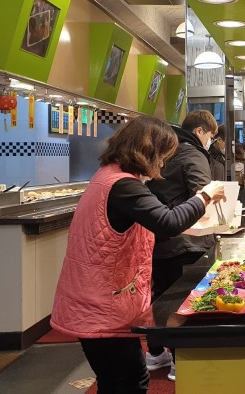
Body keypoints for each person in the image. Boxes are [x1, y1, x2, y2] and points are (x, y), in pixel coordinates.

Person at [50, 116, 226, 394]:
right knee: (129, 382)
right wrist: (204, 196)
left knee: (117, 381)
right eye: (164, 156)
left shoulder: (109, 177)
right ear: (149, 151)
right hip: (102, 303)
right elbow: (166, 221)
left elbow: (135, 229)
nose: (163, 164)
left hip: (100, 299)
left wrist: (189, 229)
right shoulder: (122, 185)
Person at [143, 110, 218, 380]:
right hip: (188, 241)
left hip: (157, 237)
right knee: (183, 301)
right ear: (200, 132)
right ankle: (179, 359)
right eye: (211, 136)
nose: (211, 141)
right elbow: (203, 192)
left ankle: (155, 353)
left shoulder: (162, 152)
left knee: (159, 296)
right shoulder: (193, 153)